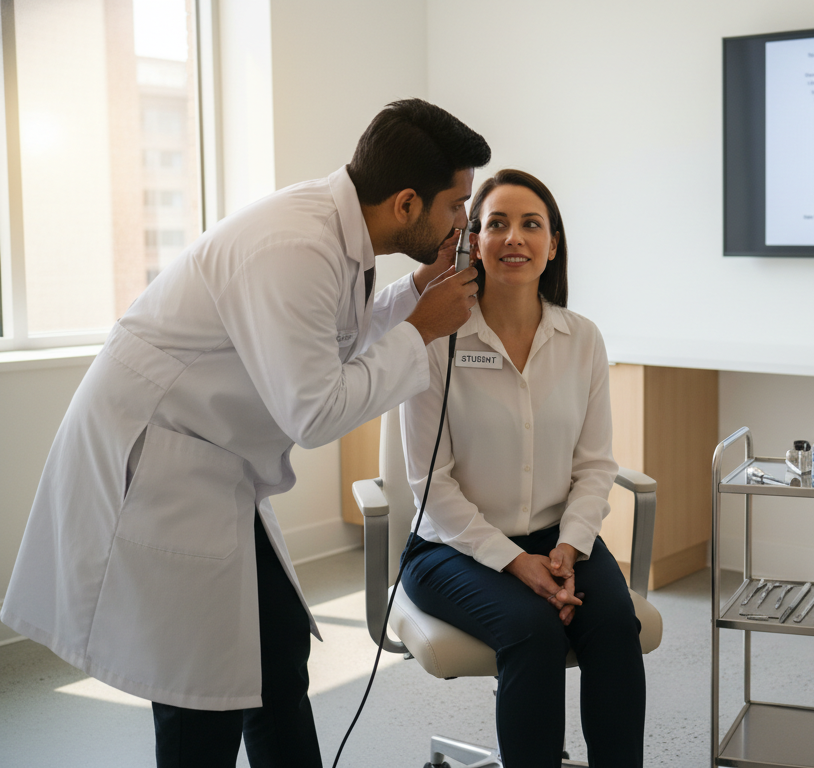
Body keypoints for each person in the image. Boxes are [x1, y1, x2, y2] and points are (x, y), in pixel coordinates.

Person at [0, 99, 490, 767]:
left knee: (275, 649)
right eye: (457, 205)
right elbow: (315, 411)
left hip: (212, 460)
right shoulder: (294, 247)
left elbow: (332, 339)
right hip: (160, 465)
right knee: (199, 697)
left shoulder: (335, 234)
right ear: (407, 203)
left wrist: (412, 298)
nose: (464, 222)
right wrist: (424, 328)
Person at [399, 169, 645, 767]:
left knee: (614, 626)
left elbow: (595, 465)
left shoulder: (581, 339)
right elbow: (431, 485)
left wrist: (568, 548)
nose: (514, 238)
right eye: (496, 224)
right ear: (471, 241)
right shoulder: (438, 340)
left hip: (559, 541)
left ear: (552, 244)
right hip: (451, 550)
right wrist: (515, 563)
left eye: (531, 224)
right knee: (533, 630)